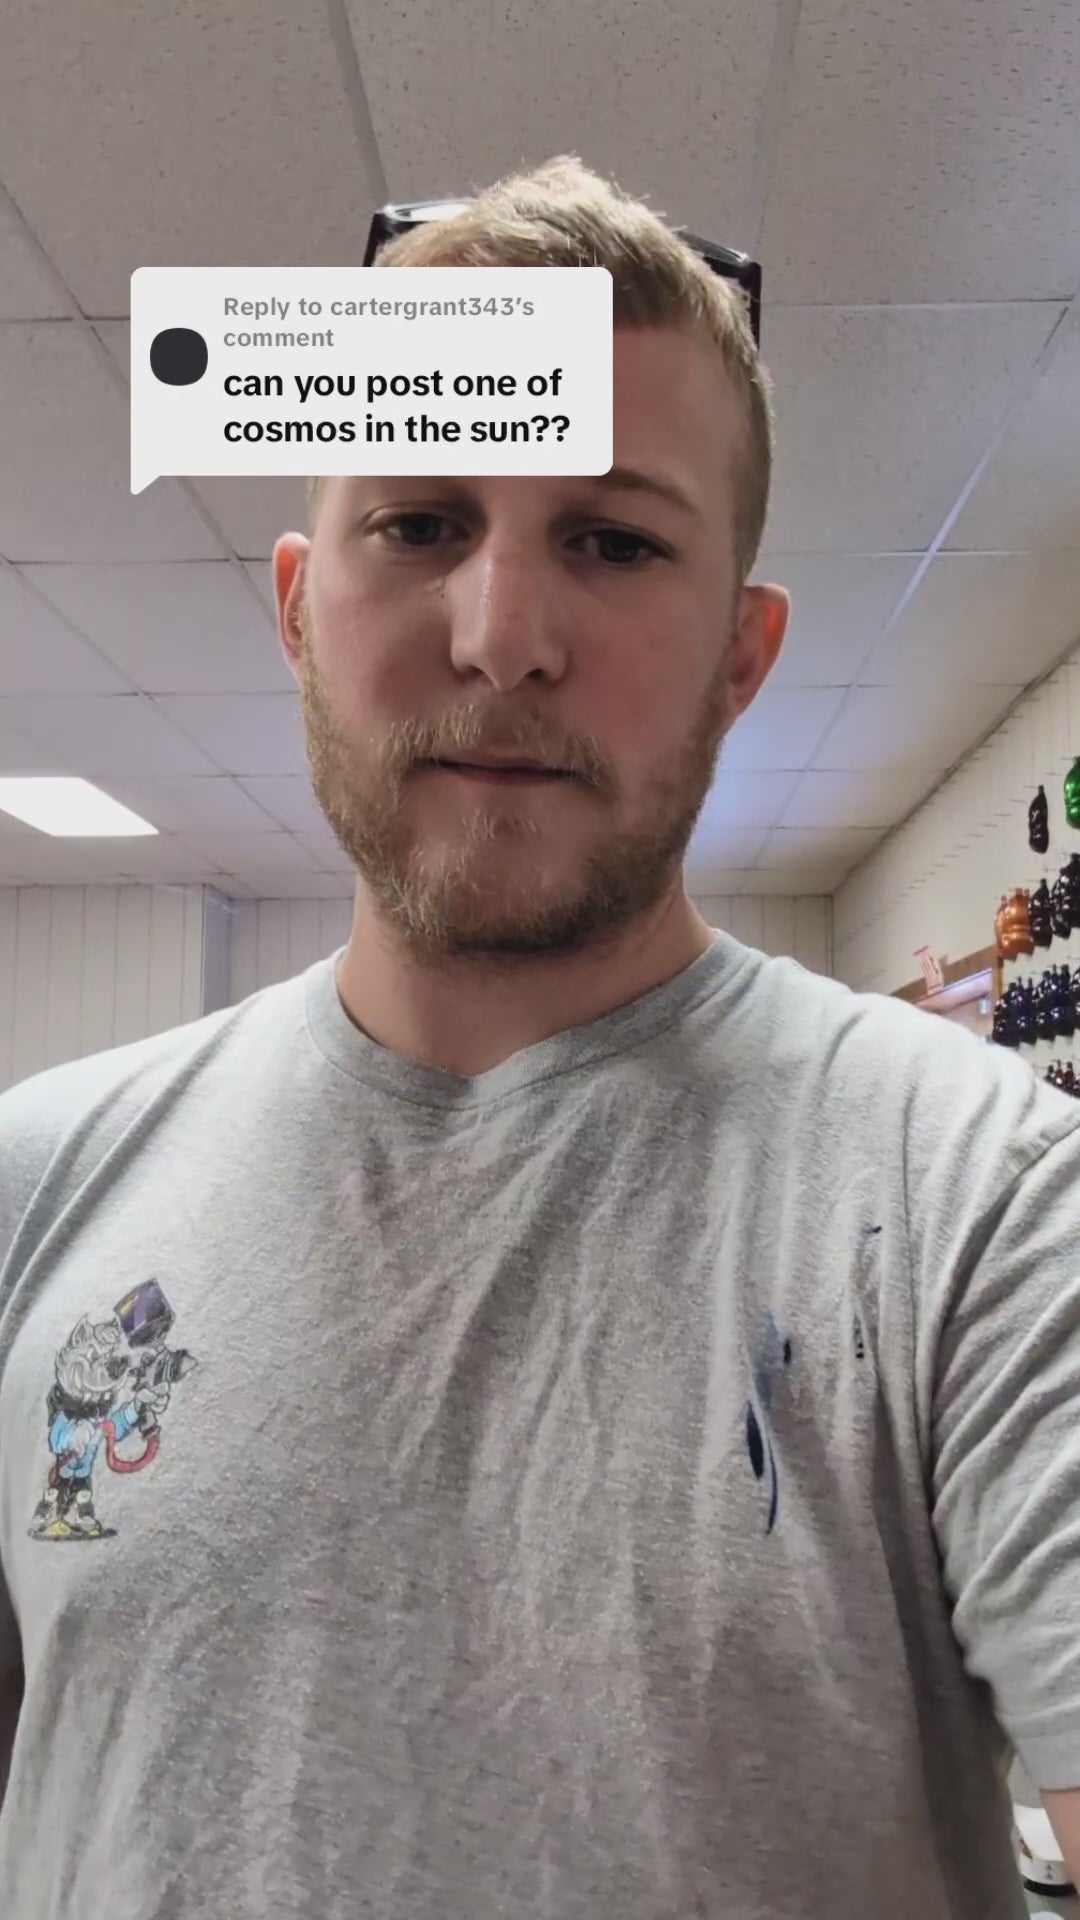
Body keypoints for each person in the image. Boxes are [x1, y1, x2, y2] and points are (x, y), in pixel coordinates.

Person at [0, 153, 1078, 1920]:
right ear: (300, 607)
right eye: (422, 521)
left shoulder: (994, 1206)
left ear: (742, 655)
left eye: (615, 540)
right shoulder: (32, 1185)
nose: (502, 638)